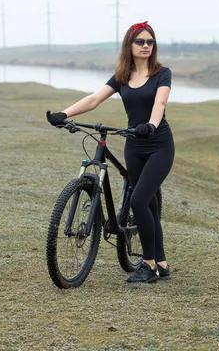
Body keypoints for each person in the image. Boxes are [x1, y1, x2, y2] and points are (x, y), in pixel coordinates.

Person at [46, 21, 175, 284]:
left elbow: (160, 102)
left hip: (158, 144)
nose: (146, 46)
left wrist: (150, 125)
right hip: (134, 145)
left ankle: (148, 266)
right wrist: (64, 113)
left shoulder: (162, 73)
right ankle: (161, 262)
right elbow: (94, 99)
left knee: (138, 201)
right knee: (148, 203)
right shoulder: (122, 75)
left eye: (150, 42)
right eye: (140, 41)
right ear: (130, 44)